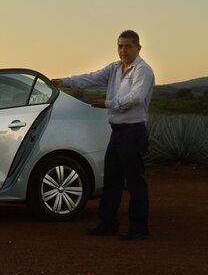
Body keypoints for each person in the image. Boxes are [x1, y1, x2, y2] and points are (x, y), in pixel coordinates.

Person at [52, 30, 154, 241]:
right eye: (120, 46)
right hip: (117, 132)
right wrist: (63, 81)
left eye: (128, 46)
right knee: (112, 180)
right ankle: (108, 224)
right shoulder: (115, 68)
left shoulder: (143, 70)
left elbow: (135, 98)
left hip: (134, 131)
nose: (123, 51)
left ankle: (139, 229)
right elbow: (90, 78)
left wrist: (108, 104)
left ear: (138, 48)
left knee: (135, 182)